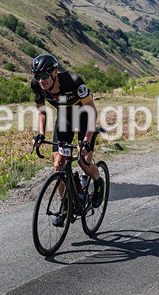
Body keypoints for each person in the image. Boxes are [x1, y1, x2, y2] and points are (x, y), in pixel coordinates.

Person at [30, 54, 104, 226]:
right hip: (65, 119)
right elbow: (41, 111)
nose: (41, 81)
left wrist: (86, 140)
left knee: (84, 162)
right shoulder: (37, 86)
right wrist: (41, 134)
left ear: (55, 73)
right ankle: (66, 205)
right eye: (37, 76)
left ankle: (98, 182)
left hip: (85, 116)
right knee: (58, 165)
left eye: (45, 76)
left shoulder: (73, 81)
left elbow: (91, 110)